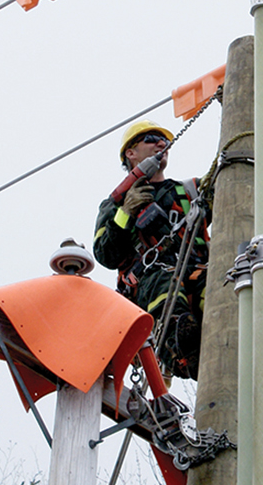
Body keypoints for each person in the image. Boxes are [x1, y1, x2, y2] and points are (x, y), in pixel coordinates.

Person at [93, 120, 212, 379]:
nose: (161, 143)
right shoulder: (116, 203)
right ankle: (180, 354)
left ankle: (225, 347)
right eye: (151, 138)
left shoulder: (189, 192)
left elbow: (228, 181)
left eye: (163, 139)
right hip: (152, 280)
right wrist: (126, 212)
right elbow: (106, 254)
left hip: (197, 275)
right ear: (130, 153)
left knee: (219, 286)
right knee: (165, 281)